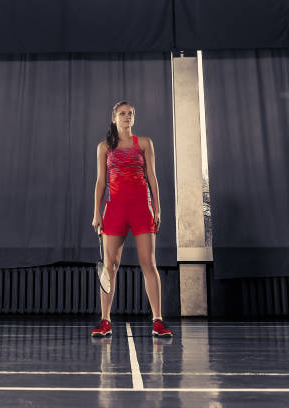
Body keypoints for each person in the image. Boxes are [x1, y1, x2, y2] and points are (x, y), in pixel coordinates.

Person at [91, 101, 173, 337]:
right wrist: (96, 212)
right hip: (114, 209)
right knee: (110, 267)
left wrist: (157, 208)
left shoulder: (145, 144)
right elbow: (100, 182)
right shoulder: (104, 147)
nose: (127, 117)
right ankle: (104, 321)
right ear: (114, 118)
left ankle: (158, 321)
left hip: (141, 208)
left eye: (131, 114)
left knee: (149, 264)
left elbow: (152, 177)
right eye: (123, 114)